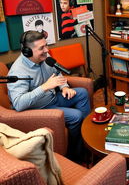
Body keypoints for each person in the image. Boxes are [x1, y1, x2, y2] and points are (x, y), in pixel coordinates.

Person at [7, 30, 91, 163]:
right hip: (40, 109)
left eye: (46, 45)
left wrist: (64, 87)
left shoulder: (45, 57)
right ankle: (75, 155)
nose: (47, 50)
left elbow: (57, 72)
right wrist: (44, 87)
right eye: (42, 48)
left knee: (82, 93)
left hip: (54, 98)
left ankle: (86, 140)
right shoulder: (18, 71)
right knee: (76, 116)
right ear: (27, 51)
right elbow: (18, 103)